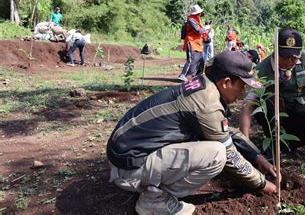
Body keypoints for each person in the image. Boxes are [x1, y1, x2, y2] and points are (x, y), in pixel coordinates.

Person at [106, 51, 277, 215]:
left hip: (127, 153)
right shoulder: (207, 104)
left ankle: (152, 187)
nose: (242, 93)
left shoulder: (204, 86)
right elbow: (229, 152)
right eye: (242, 86)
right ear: (226, 82)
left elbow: (224, 130)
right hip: (129, 168)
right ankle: (155, 199)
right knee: (217, 154)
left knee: (215, 145)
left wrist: (256, 156)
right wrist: (262, 183)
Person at [178, 4, 207, 81]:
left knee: (201, 59)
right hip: (191, 41)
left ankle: (197, 75)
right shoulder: (191, 20)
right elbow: (198, 30)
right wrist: (206, 28)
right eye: (199, 13)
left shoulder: (196, 20)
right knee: (192, 59)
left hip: (197, 42)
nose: (200, 14)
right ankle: (183, 75)